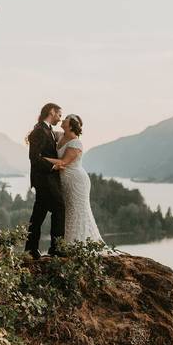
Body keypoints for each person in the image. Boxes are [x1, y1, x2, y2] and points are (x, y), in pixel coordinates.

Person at [44, 113, 108, 246]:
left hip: (76, 181)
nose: (63, 119)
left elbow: (63, 162)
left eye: (66, 118)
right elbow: (44, 131)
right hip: (64, 180)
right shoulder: (60, 136)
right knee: (67, 210)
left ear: (72, 125)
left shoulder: (76, 143)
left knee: (78, 211)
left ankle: (80, 244)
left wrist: (41, 159)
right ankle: (67, 244)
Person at [24, 102, 65, 259]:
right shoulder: (40, 131)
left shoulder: (47, 130)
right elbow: (34, 159)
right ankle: (56, 249)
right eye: (59, 115)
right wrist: (53, 167)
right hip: (45, 180)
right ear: (52, 112)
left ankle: (31, 249)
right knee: (59, 209)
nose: (60, 119)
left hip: (45, 180)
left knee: (38, 214)